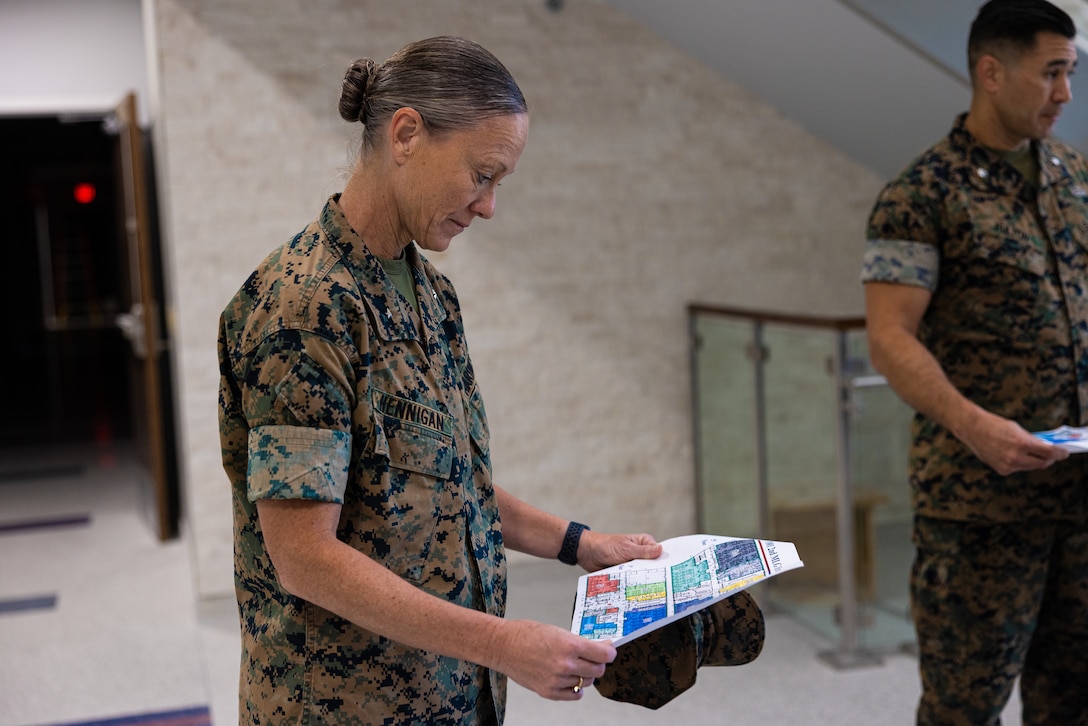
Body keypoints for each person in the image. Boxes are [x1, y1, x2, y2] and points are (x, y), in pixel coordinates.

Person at [218, 36, 762, 724]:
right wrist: (506, 644)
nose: (488, 206)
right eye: (483, 174)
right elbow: (304, 558)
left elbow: (447, 481)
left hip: (448, 693)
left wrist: (581, 544)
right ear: (407, 133)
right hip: (342, 705)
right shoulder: (304, 307)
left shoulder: (429, 296)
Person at [861, 1, 1088, 724]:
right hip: (978, 509)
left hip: (1079, 501)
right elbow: (891, 337)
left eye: (1072, 72)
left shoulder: (1077, 180)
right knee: (966, 706)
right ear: (992, 71)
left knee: (1074, 699)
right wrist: (973, 424)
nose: (1065, 95)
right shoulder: (920, 195)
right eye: (1051, 73)